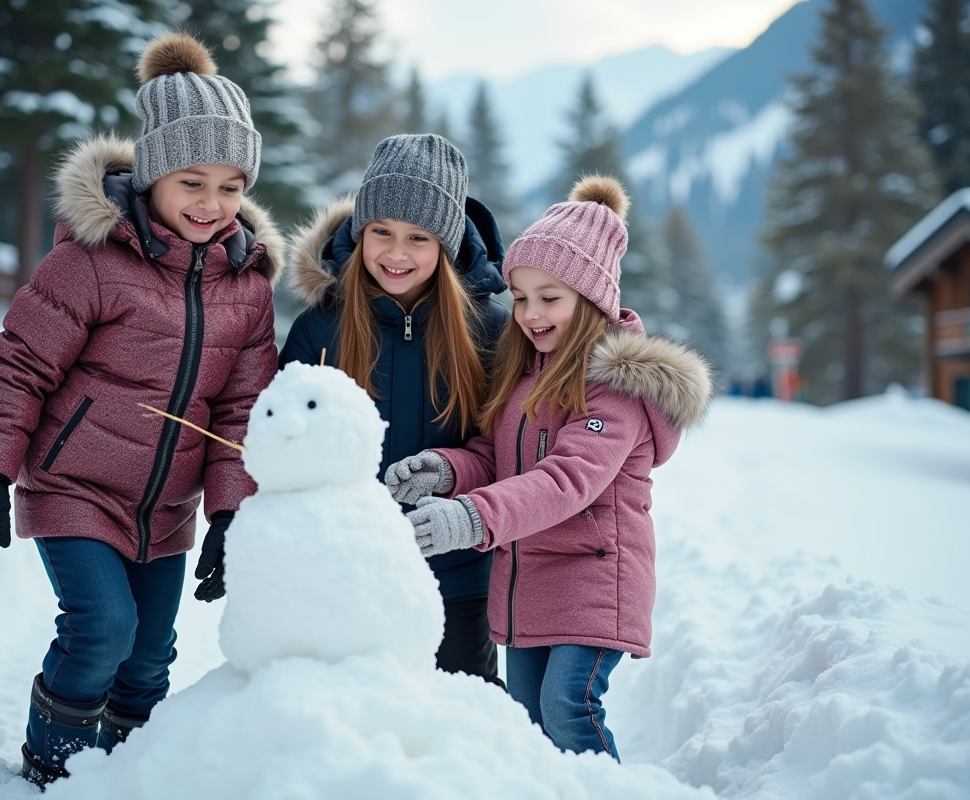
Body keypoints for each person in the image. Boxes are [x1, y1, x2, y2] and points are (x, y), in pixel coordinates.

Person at [0, 32, 283, 787]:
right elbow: (18, 366)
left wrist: (230, 513)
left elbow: (240, 411)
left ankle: (128, 776)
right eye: (192, 182)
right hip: (73, 487)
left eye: (231, 186)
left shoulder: (248, 288)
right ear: (155, 173)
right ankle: (54, 772)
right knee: (103, 628)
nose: (212, 204)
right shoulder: (91, 262)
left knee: (149, 656)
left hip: (166, 509)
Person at [385, 176, 712, 759]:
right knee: (531, 730)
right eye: (520, 297)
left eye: (549, 297)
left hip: (593, 580)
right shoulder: (526, 374)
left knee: (568, 708)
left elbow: (567, 480)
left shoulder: (613, 389)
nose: (530, 313)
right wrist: (447, 470)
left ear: (591, 300)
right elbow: (496, 458)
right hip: (527, 585)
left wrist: (472, 518)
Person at [279, 133, 509, 686]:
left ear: (446, 245)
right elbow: (280, 441)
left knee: (461, 712)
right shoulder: (321, 327)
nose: (396, 253)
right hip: (346, 570)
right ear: (360, 232)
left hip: (458, 576)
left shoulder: (492, 331)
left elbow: (507, 449)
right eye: (381, 231)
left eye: (418, 238)